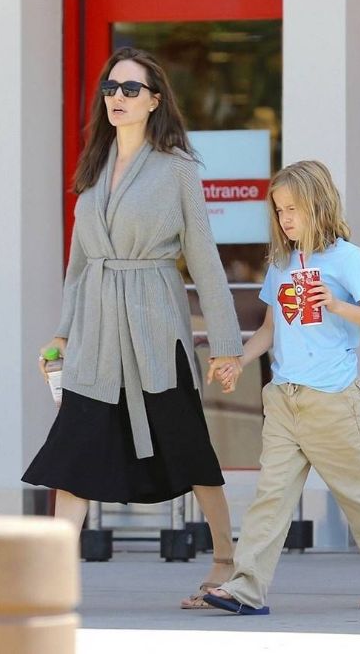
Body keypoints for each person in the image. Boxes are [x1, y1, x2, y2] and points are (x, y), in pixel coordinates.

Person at [22, 46, 243, 609]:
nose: (116, 97)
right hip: (96, 331)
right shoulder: (92, 167)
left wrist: (225, 346)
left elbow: (206, 262)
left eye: (129, 89)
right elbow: (77, 265)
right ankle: (49, 582)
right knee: (74, 449)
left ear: (153, 100)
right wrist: (64, 333)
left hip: (153, 326)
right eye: (110, 88)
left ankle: (226, 563)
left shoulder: (178, 171)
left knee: (188, 445)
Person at [203, 160, 360, 614]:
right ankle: (246, 589)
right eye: (280, 210)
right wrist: (239, 360)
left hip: (332, 400)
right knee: (270, 496)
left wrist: (335, 303)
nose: (286, 218)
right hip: (284, 398)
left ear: (319, 205)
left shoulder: (346, 257)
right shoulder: (281, 263)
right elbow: (271, 328)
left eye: (294, 209)